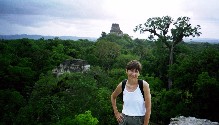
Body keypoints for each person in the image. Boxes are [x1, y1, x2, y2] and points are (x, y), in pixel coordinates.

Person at [111, 60, 151, 125]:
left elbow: (148, 108)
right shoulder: (122, 84)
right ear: (126, 71)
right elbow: (113, 97)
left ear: (139, 73)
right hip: (124, 120)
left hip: (138, 120)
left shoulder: (143, 85)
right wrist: (116, 113)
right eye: (131, 70)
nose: (133, 74)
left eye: (136, 71)